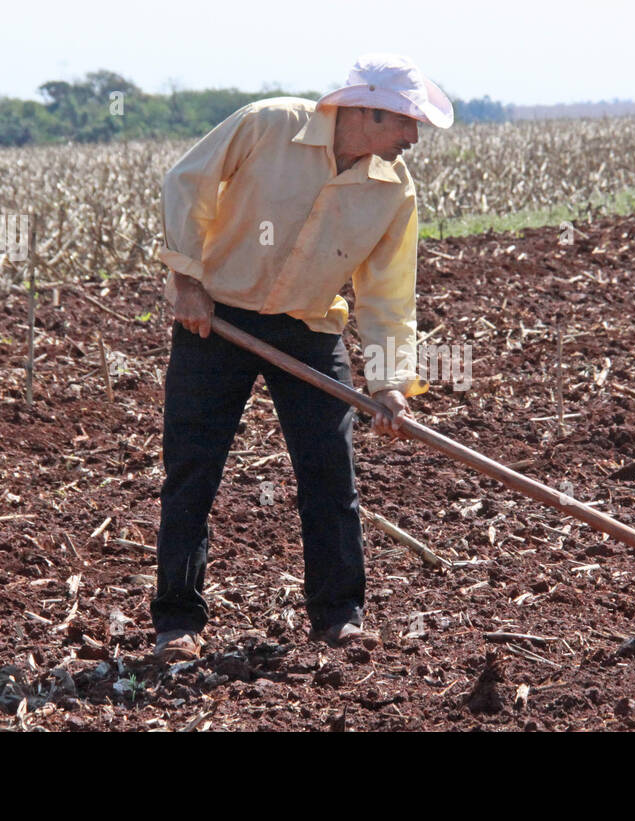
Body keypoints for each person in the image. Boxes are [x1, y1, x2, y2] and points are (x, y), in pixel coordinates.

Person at [151, 54, 453, 661]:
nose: (413, 139)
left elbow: (389, 291)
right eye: (406, 124)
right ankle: (177, 623)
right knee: (193, 471)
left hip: (309, 328)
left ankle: (339, 616)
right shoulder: (268, 125)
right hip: (218, 320)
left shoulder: (393, 190)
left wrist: (390, 382)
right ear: (370, 110)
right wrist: (186, 280)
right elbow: (187, 182)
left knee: (329, 474)